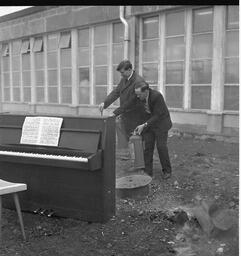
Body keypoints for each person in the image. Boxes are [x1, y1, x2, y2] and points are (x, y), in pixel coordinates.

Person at [99, 60, 147, 141]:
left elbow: (131, 102)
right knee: (128, 140)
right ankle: (128, 152)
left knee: (137, 142)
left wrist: (115, 113)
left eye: (122, 72)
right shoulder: (125, 79)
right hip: (127, 116)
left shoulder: (138, 81)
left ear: (129, 70)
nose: (121, 75)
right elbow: (116, 92)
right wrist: (105, 103)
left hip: (137, 117)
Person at [134, 82, 172, 179]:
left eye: (139, 94)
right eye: (136, 94)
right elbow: (139, 113)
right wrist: (138, 126)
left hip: (161, 124)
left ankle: (167, 171)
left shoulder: (157, 96)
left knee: (161, 147)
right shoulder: (140, 98)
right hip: (149, 126)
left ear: (146, 91)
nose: (137, 97)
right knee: (148, 147)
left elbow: (158, 115)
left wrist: (144, 125)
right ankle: (148, 171)